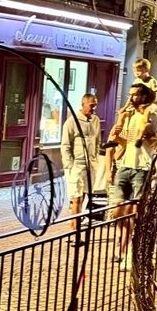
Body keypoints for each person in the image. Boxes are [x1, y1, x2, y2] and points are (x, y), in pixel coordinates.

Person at [109, 83, 157, 270]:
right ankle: (122, 248)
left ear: (144, 97)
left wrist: (147, 136)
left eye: (136, 95)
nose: (131, 98)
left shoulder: (152, 115)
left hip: (142, 167)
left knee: (133, 213)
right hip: (126, 165)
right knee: (117, 210)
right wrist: (117, 137)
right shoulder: (129, 116)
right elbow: (127, 143)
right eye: (130, 95)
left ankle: (129, 252)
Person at [60, 93, 101, 236]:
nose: (94, 108)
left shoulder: (95, 120)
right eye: (91, 105)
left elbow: (97, 141)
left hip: (90, 165)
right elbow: (65, 145)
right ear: (83, 104)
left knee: (83, 196)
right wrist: (69, 165)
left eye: (95, 105)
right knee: (75, 198)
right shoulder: (72, 122)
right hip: (76, 165)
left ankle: (76, 223)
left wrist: (95, 158)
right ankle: (74, 231)